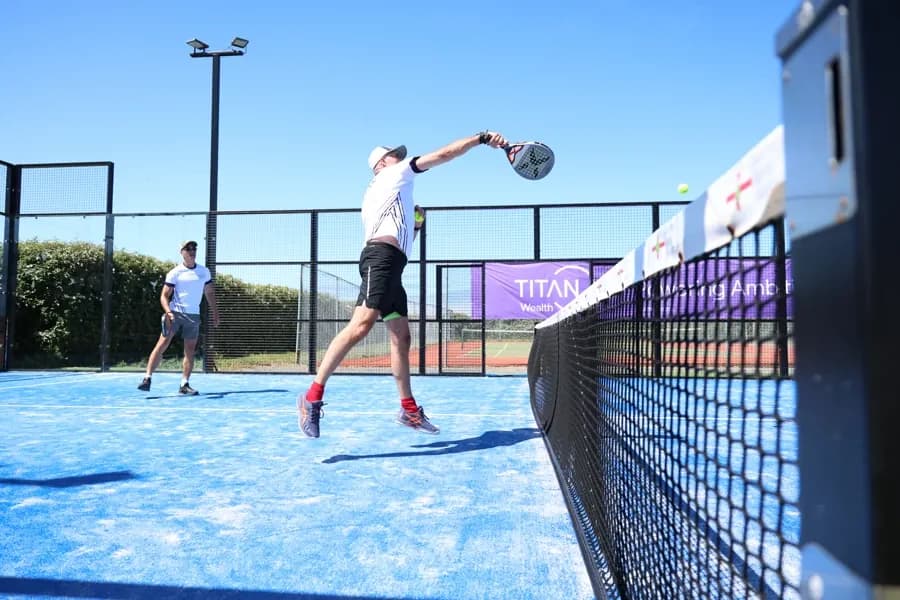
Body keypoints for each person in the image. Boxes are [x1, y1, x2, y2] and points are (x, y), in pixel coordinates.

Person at [297, 130, 508, 438]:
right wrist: (480, 139)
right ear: (382, 163)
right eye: (394, 154)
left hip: (393, 264)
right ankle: (311, 397)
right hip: (380, 260)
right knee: (361, 325)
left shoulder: (391, 191)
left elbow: (403, 232)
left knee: (401, 337)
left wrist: (416, 223)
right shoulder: (393, 174)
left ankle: (408, 410)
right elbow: (443, 155)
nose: (400, 156)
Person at [137, 240, 220, 395]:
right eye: (188, 248)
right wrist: (168, 312)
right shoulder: (175, 273)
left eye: (194, 248)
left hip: (193, 316)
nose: (192, 251)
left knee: (189, 351)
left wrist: (215, 311)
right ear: (181, 252)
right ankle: (147, 379)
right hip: (175, 314)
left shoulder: (204, 272)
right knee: (162, 345)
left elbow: (209, 292)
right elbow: (164, 296)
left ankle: (184, 385)